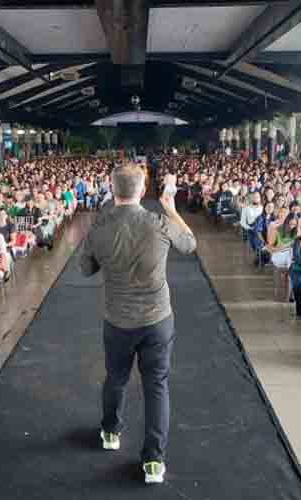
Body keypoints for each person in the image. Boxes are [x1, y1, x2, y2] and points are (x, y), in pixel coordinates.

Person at [79, 164, 196, 485]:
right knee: (156, 385)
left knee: (115, 378)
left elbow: (85, 268)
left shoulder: (99, 225)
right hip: (157, 318)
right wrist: (171, 209)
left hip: (117, 319)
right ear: (143, 190)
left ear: (111, 189)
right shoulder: (158, 222)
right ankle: (153, 461)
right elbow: (189, 243)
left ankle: (110, 432)